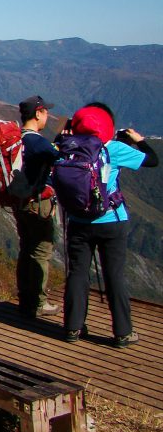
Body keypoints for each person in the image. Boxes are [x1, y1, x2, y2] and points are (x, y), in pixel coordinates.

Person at [61, 102, 158, 348]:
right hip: (112, 220)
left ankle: (72, 328)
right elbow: (152, 160)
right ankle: (122, 333)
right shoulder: (113, 148)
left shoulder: (66, 148)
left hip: (78, 221)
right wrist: (139, 140)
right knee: (114, 274)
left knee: (78, 273)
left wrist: (65, 134)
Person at [14, 95, 60, 317]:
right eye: (46, 112)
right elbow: (61, 161)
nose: (48, 116)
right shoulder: (38, 141)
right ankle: (39, 302)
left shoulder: (17, 138)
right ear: (38, 113)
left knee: (26, 249)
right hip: (39, 203)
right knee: (41, 250)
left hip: (20, 201)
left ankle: (25, 298)